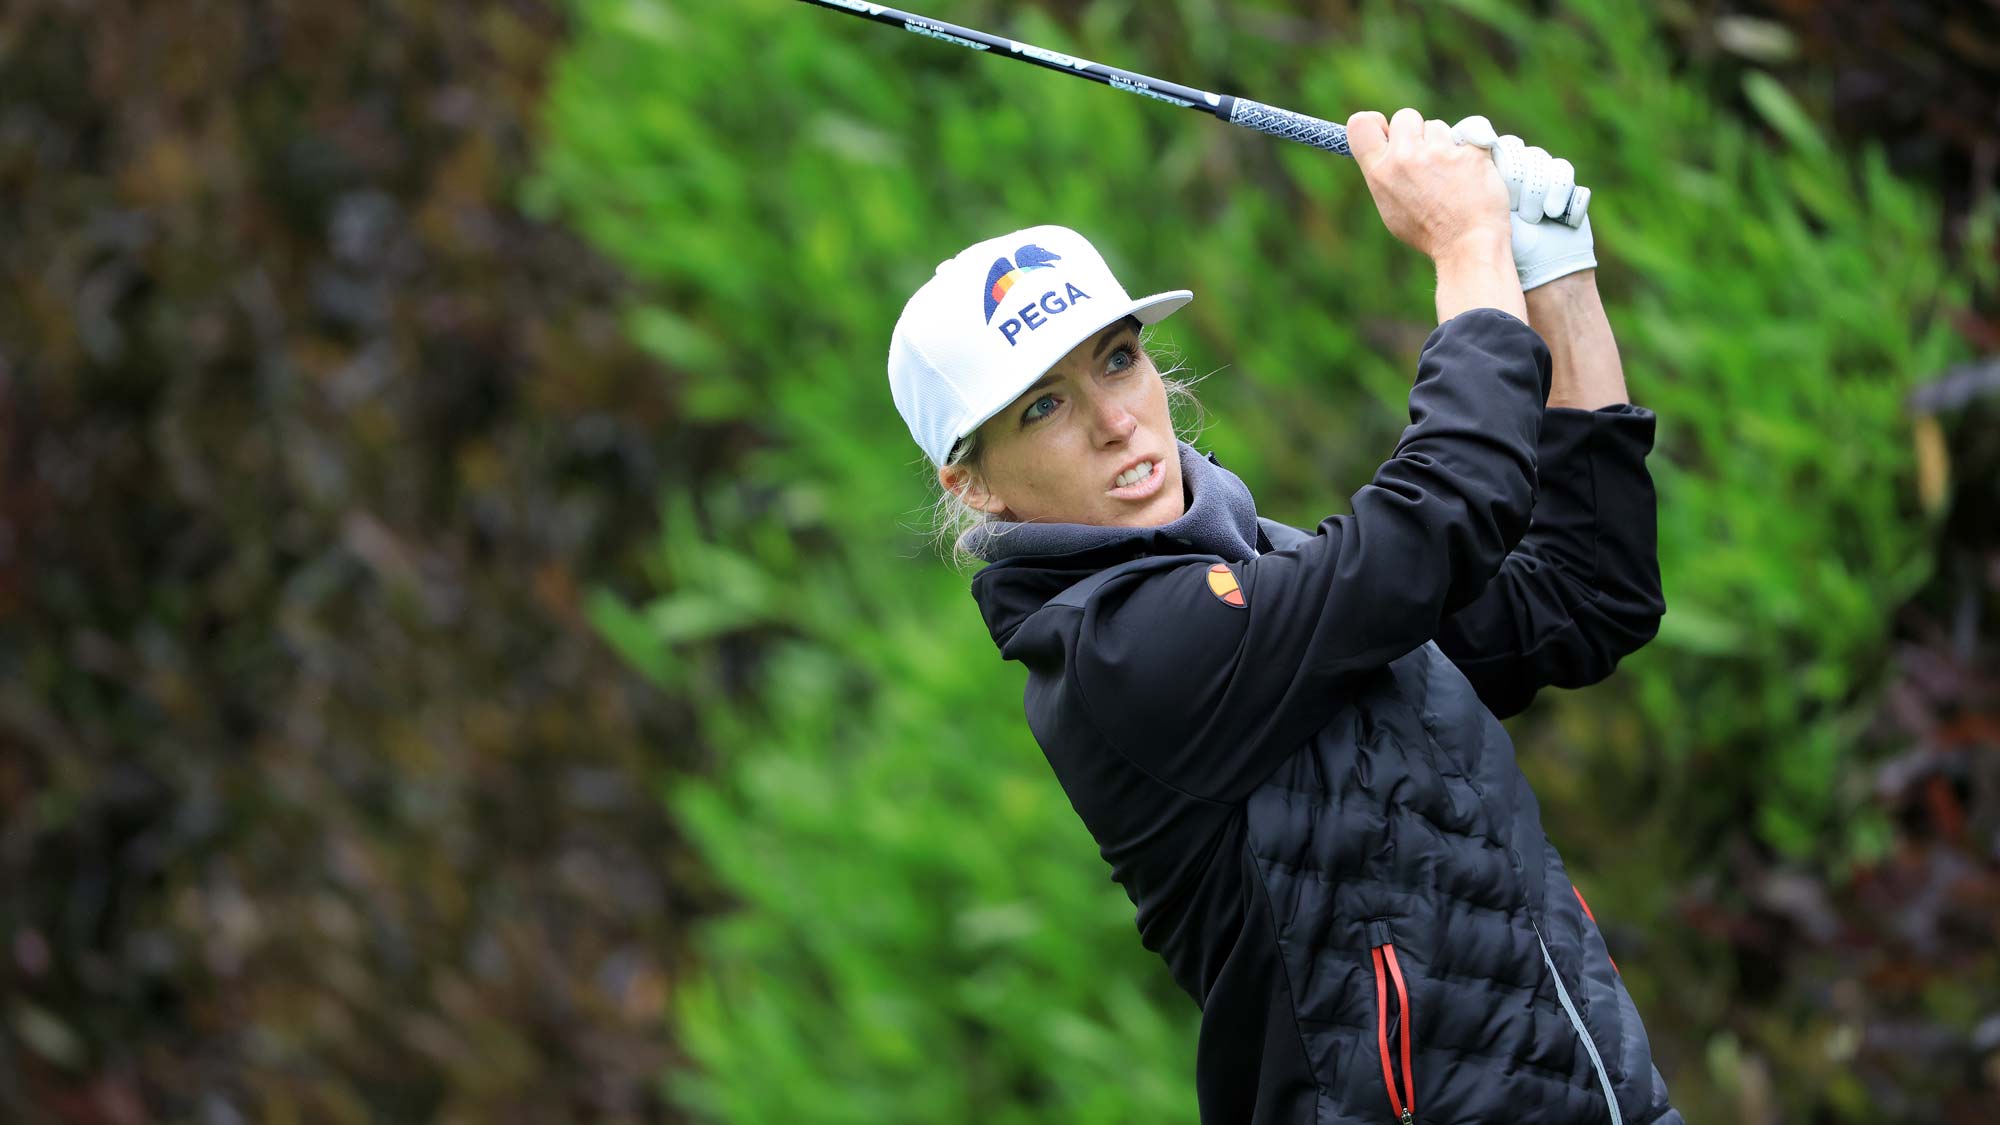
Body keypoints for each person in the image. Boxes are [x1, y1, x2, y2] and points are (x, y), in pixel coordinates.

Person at [886, 107, 1681, 1125]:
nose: (1113, 419)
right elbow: (1439, 516)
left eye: (1116, 359)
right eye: (1041, 407)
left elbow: (1581, 593)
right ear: (976, 487)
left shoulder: (1279, 577)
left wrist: (1553, 279)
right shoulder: (1119, 654)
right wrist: (1468, 251)